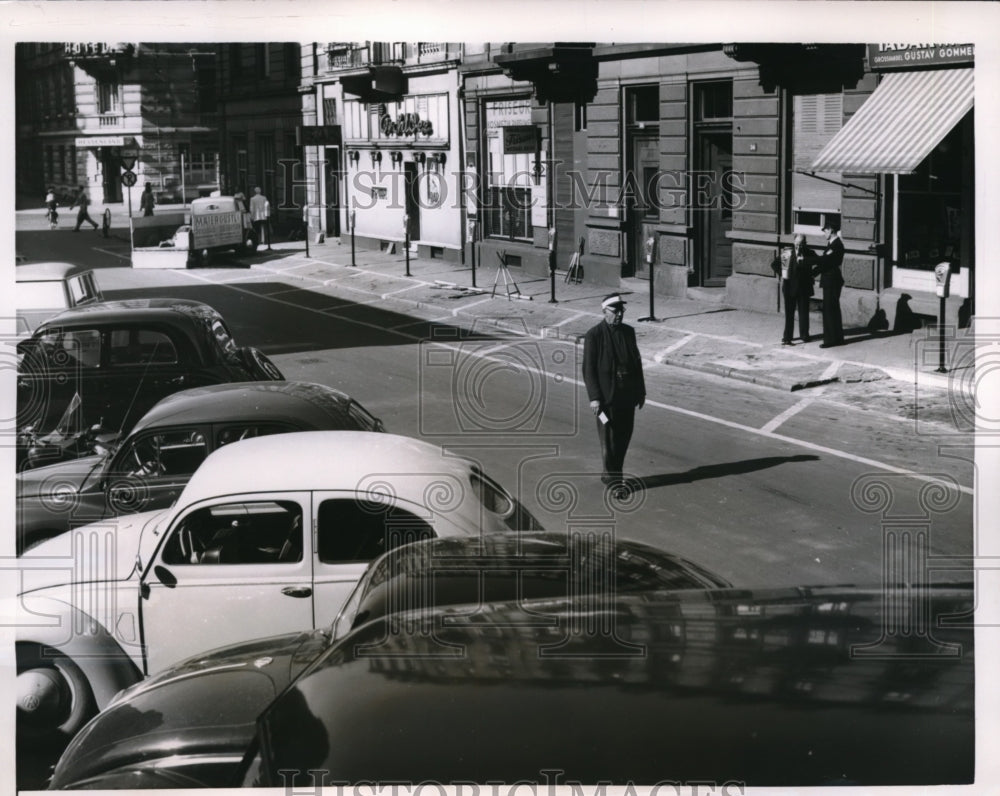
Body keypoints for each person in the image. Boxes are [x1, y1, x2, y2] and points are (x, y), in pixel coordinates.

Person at [583, 294, 646, 494]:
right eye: (615, 311)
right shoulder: (594, 335)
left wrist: (641, 392)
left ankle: (609, 473)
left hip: (626, 397)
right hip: (605, 401)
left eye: (621, 311)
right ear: (604, 312)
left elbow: (636, 364)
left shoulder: (629, 332)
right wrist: (594, 398)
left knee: (623, 437)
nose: (619, 315)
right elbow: (588, 369)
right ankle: (616, 482)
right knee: (608, 439)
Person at [771, 233, 815, 345]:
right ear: (794, 242)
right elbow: (774, 264)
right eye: (797, 244)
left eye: (801, 244)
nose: (798, 247)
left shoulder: (809, 253)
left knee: (804, 313)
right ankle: (787, 338)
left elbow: (819, 261)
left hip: (803, 288)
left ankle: (805, 335)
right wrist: (783, 274)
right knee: (789, 314)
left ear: (805, 244)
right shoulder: (787, 253)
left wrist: (810, 269)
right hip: (789, 288)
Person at [811, 220, 846, 348]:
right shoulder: (832, 244)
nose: (824, 233)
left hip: (832, 281)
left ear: (831, 230)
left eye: (825, 230)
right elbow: (824, 261)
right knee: (833, 309)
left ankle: (831, 340)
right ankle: (838, 338)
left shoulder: (836, 245)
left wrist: (810, 266)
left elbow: (824, 261)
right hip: (831, 280)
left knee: (829, 310)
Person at [249, 186, 272, 251]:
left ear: (255, 192)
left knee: (256, 230)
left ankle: (258, 241)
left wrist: (252, 217)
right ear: (260, 191)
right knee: (263, 228)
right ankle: (264, 240)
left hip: (256, 216)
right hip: (264, 215)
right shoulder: (264, 198)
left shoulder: (252, 199)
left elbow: (252, 209)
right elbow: (267, 206)